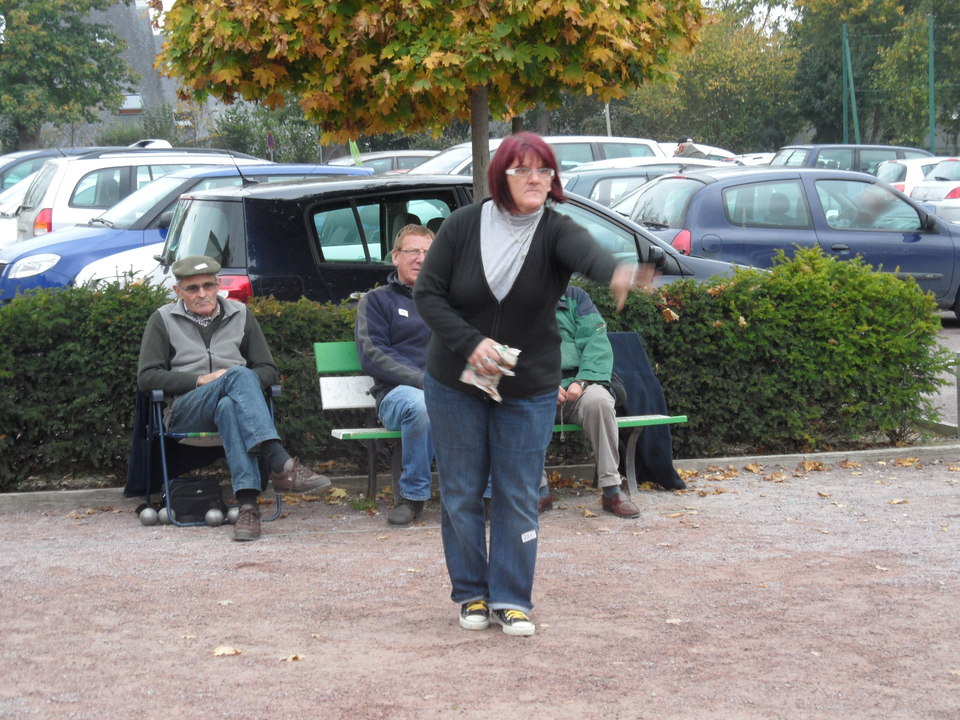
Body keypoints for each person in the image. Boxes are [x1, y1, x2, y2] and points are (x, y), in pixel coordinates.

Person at [414, 132, 653, 637]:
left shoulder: (555, 230)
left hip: (528, 385)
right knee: (460, 490)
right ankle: (472, 595)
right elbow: (429, 296)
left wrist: (618, 271)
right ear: (499, 177)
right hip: (458, 379)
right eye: (522, 170)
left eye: (543, 171)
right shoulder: (462, 226)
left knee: (518, 491)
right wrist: (470, 341)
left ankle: (511, 597)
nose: (535, 179)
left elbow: (589, 254)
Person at [138, 255, 330, 542]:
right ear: (178, 291)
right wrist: (199, 380)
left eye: (207, 285)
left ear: (218, 285)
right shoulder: (162, 319)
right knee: (238, 375)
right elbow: (147, 377)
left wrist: (236, 381)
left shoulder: (241, 314)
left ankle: (248, 508)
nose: (201, 293)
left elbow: (267, 369)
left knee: (231, 401)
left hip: (234, 409)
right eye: (192, 288)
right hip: (186, 408)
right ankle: (280, 462)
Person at [355, 224, 435, 526]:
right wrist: (424, 382)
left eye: (428, 252)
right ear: (396, 256)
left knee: (490, 401)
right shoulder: (377, 301)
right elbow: (373, 354)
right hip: (398, 394)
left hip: (447, 389)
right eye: (413, 251)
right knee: (423, 405)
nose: (421, 259)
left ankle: (489, 496)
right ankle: (412, 498)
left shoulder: (448, 300)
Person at [537, 284, 640, 519]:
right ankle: (539, 490)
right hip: (537, 386)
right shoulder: (517, 297)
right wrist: (542, 381)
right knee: (521, 407)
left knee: (600, 401)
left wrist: (582, 381)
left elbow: (596, 340)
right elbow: (515, 347)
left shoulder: (576, 297)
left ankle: (612, 490)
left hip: (579, 383)